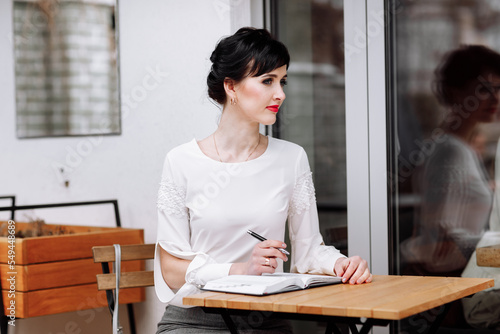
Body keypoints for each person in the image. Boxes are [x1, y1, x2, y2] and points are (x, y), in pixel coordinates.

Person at [154, 27, 372, 333]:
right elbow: (172, 270)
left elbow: (308, 250)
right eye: (267, 81)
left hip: (266, 320)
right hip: (197, 321)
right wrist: (241, 270)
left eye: (282, 81)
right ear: (231, 86)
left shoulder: (291, 158)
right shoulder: (181, 162)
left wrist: (339, 264)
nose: (280, 93)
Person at [400, 45, 500, 331]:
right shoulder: (450, 152)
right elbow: (440, 243)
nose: (494, 98)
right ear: (456, 92)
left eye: (498, 88)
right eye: (483, 89)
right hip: (452, 293)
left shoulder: (461, 148)